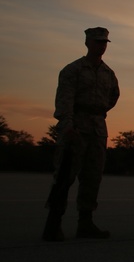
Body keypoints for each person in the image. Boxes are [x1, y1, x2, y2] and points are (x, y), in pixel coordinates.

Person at [42, 27, 120, 241]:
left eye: (104, 42)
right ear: (87, 43)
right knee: (65, 176)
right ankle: (54, 223)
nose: (102, 45)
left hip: (97, 128)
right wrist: (68, 125)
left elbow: (113, 96)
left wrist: (97, 111)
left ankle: (85, 222)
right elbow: (64, 100)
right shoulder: (72, 70)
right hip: (75, 128)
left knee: (93, 177)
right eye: (97, 41)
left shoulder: (108, 73)